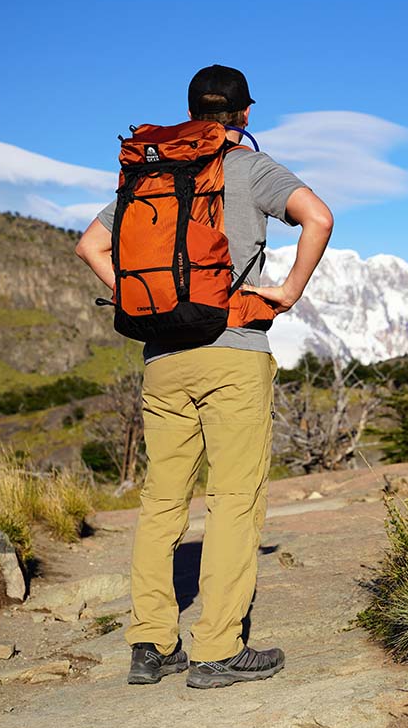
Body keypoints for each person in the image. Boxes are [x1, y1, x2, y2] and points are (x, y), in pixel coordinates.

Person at [75, 64, 333, 689]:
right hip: (233, 351)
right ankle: (216, 650)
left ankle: (150, 645)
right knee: (233, 499)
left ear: (191, 110)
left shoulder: (153, 172)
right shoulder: (249, 167)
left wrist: (136, 302)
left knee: (162, 500)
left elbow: (89, 247)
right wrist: (289, 292)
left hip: (162, 358)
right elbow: (318, 217)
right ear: (244, 112)